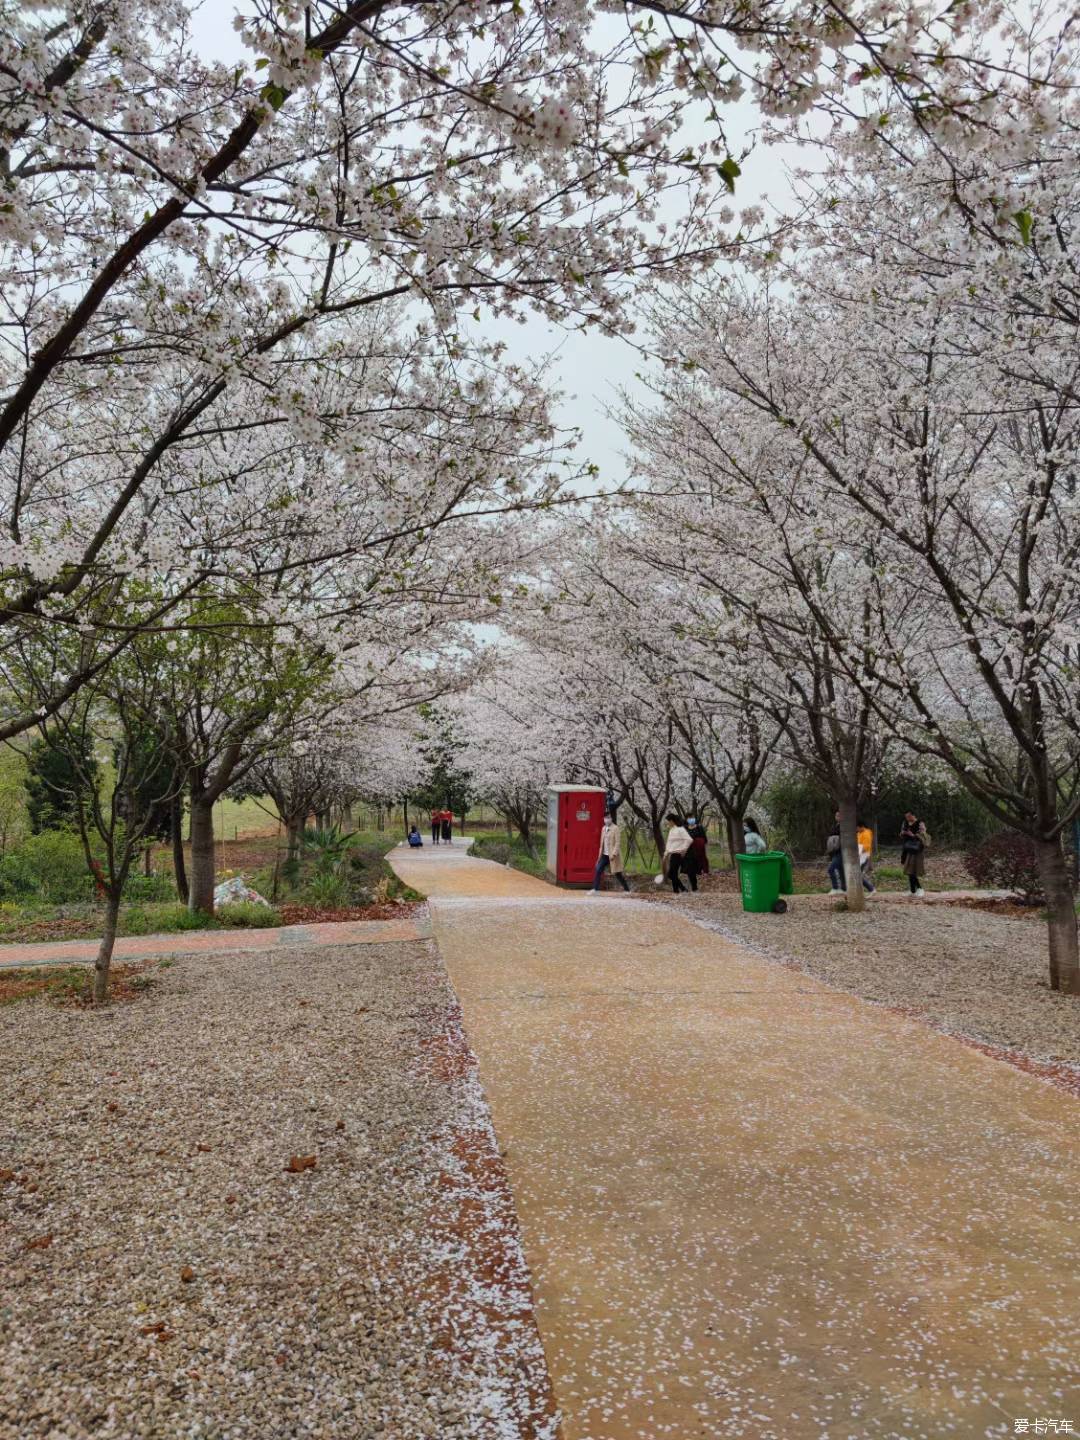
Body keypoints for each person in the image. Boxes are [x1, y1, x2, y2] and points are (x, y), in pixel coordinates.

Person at [591, 810, 630, 893]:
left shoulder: (615, 828)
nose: (607, 819)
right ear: (603, 819)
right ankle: (595, 889)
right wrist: (599, 856)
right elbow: (602, 843)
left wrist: (614, 854)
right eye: (605, 818)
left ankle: (627, 890)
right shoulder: (603, 828)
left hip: (612, 855)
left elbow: (617, 842)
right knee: (598, 870)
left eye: (608, 817)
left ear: (611, 818)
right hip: (604, 855)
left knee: (617, 873)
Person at [900, 811, 929, 896]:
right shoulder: (905, 823)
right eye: (906, 817)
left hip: (916, 849)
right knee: (909, 870)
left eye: (909, 816)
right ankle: (912, 890)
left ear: (913, 815)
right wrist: (903, 833)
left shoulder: (920, 823)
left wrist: (912, 835)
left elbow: (924, 836)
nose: (907, 818)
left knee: (913, 870)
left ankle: (920, 889)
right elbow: (901, 833)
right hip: (907, 848)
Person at [663, 813, 694, 894]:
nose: (667, 823)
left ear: (672, 821)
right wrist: (665, 854)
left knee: (671, 874)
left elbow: (689, 840)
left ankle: (682, 889)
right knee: (672, 874)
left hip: (678, 854)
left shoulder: (680, 829)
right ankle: (676, 891)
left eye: (668, 821)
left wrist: (683, 849)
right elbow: (669, 843)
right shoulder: (671, 830)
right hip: (672, 854)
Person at [826, 812, 844, 892]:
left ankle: (835, 887)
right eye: (836, 815)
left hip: (841, 852)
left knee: (831, 869)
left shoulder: (843, 826)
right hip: (834, 852)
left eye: (838, 815)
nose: (836, 817)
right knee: (841, 871)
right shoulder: (835, 826)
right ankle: (844, 889)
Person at [856, 821, 876, 894]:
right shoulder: (859, 833)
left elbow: (866, 847)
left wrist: (856, 852)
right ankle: (862, 890)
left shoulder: (866, 833)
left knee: (857, 874)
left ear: (861, 826)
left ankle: (871, 889)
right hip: (859, 856)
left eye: (857, 828)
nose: (856, 829)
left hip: (864, 856)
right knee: (857, 874)